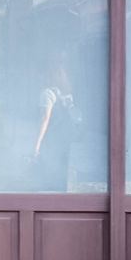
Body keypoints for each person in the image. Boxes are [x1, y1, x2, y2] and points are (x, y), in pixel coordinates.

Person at [34, 57, 80, 191]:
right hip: (66, 142)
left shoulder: (47, 94)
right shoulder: (67, 95)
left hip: (51, 143)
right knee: (61, 179)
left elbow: (44, 119)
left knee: (48, 181)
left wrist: (36, 146)